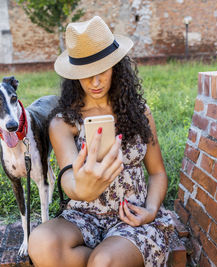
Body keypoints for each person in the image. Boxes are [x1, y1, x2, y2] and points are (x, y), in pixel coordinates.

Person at [28, 16, 174, 267]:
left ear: (116, 66)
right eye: (86, 73)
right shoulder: (63, 121)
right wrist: (84, 187)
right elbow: (68, 180)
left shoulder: (139, 112)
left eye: (102, 70)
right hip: (84, 217)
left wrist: (150, 211)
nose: (95, 82)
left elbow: (158, 173)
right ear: (74, 75)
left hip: (131, 217)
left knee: (103, 261)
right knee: (41, 242)